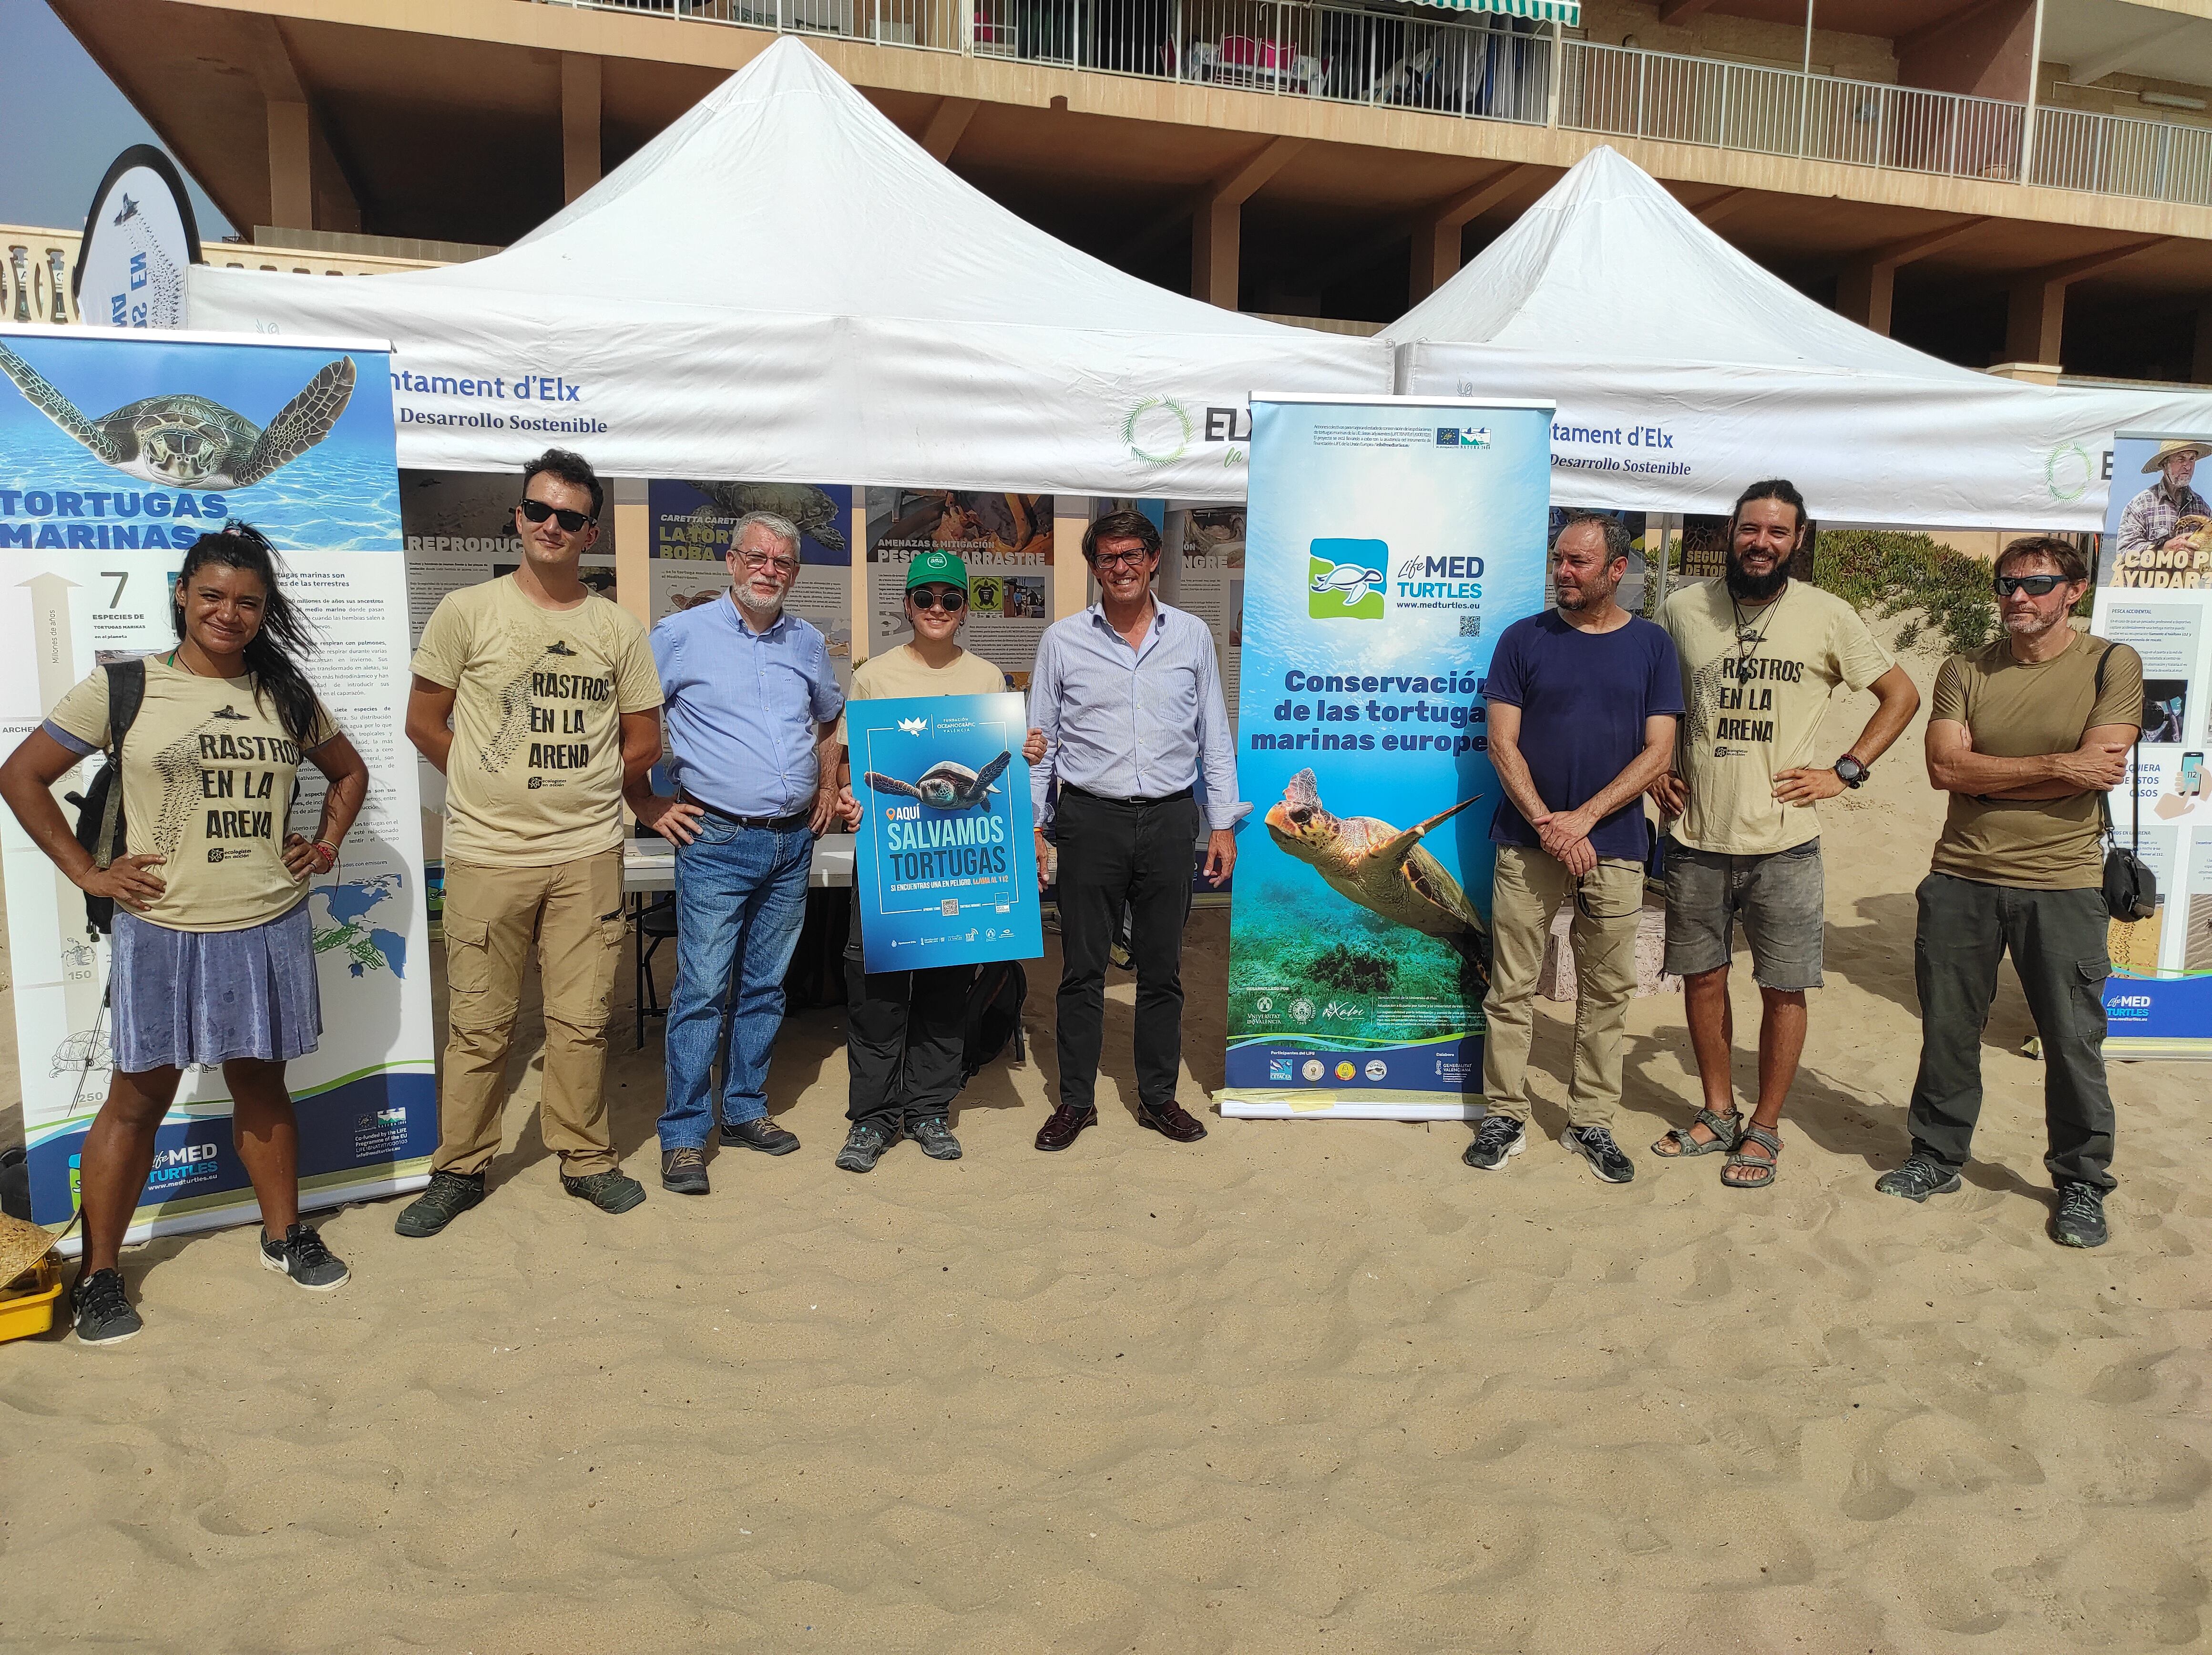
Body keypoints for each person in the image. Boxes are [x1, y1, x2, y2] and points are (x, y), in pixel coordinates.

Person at [0, 524, 369, 1344]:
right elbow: (20, 775)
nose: (228, 614)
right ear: (181, 593)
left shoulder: (285, 691)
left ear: (265, 609)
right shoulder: (125, 685)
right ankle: (100, 1273)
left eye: (247, 601)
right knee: (137, 1100)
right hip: (161, 927)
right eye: (212, 595)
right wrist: (87, 873)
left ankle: (283, 1236)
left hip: (267, 918)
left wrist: (329, 840)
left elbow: (349, 772)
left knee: (262, 1085)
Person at [396, 450, 664, 1235]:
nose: (552, 526)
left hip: (587, 853)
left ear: (591, 531)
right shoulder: (466, 611)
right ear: (517, 517)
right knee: (479, 1022)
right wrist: (480, 776)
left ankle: (585, 1157)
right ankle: (461, 1167)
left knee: (581, 1022)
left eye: (570, 517)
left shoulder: (616, 626)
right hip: (486, 853)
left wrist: (585, 779)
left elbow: (646, 741)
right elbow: (423, 720)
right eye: (538, 510)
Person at [1649, 479, 1921, 1189]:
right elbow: (1651, 700)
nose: (1761, 543)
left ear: (1798, 541)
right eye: (1749, 530)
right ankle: (1717, 1111)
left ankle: (1764, 1127)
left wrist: (1847, 769)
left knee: (1783, 988)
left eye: (1777, 532)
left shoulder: (1829, 616)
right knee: (1703, 979)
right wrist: (1654, 770)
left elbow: (1902, 694)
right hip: (1695, 837)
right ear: (1730, 534)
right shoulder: (1681, 609)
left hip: (1785, 844)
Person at [1881, 537, 2139, 1248]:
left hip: (2062, 882)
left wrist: (1987, 771)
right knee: (1948, 1030)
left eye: (2037, 584)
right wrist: (2061, 764)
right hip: (1962, 874)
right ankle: (1936, 1155)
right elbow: (1944, 770)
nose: (2018, 598)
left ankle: (2082, 1180)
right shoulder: (1965, 666)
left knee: (2072, 1040)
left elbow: (2104, 769)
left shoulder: (2112, 664)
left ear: (2073, 591)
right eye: (2007, 585)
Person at [630, 510, 843, 1196]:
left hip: (790, 841)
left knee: (765, 987)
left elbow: (830, 714)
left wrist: (829, 777)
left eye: (782, 562)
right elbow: (625, 719)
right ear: (731, 561)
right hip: (715, 839)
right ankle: (686, 1135)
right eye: (757, 557)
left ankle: (745, 1109)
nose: (769, 571)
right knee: (699, 992)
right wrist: (646, 802)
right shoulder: (678, 637)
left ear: (794, 572)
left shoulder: (808, 642)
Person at [1464, 514, 1682, 1183]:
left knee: (1606, 991)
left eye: (1580, 563)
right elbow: (1502, 743)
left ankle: (1591, 1123)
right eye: (1559, 559)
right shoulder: (1522, 640)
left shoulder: (1652, 646)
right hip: (1524, 843)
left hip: (1614, 844)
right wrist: (1548, 825)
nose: (1564, 572)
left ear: (1618, 571)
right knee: (1510, 989)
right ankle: (1504, 1114)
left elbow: (1660, 751)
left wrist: (1582, 820)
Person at [1027, 509, 1241, 1151]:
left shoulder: (1193, 636)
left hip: (1173, 819)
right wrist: (1035, 827)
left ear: (1152, 560)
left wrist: (1223, 825)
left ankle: (1156, 1098)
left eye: (1131, 556)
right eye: (1107, 558)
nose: (1119, 568)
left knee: (1162, 969)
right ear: (1094, 567)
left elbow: (1215, 736)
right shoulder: (1063, 640)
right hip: (1090, 819)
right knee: (1082, 970)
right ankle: (1075, 1101)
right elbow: (1043, 743)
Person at [828, 549, 1047, 1173]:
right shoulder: (874, 676)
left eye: (950, 599)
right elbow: (853, 766)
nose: (938, 610)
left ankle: (928, 1109)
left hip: (957, 863)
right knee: (877, 993)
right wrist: (848, 797)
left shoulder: (987, 680)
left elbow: (999, 766)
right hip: (889, 857)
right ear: (909, 605)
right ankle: (871, 1118)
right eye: (926, 598)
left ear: (964, 607)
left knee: (947, 990)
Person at [2115, 439, 2212, 560]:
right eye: (2181, 459)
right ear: (2164, 465)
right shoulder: (2141, 505)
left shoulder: (2202, 507)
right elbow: (2125, 553)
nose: (2187, 466)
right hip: (2151, 579)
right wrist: (2163, 549)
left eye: (2192, 459)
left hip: (2189, 578)